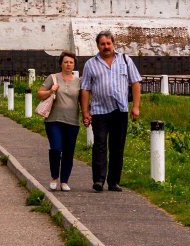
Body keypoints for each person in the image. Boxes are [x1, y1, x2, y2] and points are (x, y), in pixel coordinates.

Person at [79, 31, 141, 192]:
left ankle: (114, 182)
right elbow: (85, 89)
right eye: (102, 44)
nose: (106, 47)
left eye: (108, 43)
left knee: (117, 146)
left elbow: (135, 83)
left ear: (114, 44)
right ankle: (99, 180)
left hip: (120, 110)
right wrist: (85, 111)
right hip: (99, 111)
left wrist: (135, 107)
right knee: (99, 144)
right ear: (98, 45)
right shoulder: (90, 64)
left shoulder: (125, 60)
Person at [37, 51, 81, 192]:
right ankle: (54, 177)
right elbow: (40, 94)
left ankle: (64, 181)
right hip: (54, 120)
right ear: (61, 64)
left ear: (74, 64)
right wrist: (51, 91)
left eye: (71, 62)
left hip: (72, 122)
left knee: (69, 152)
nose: (68, 64)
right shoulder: (53, 78)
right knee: (56, 149)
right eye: (66, 62)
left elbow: (83, 99)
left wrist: (87, 113)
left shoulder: (79, 81)